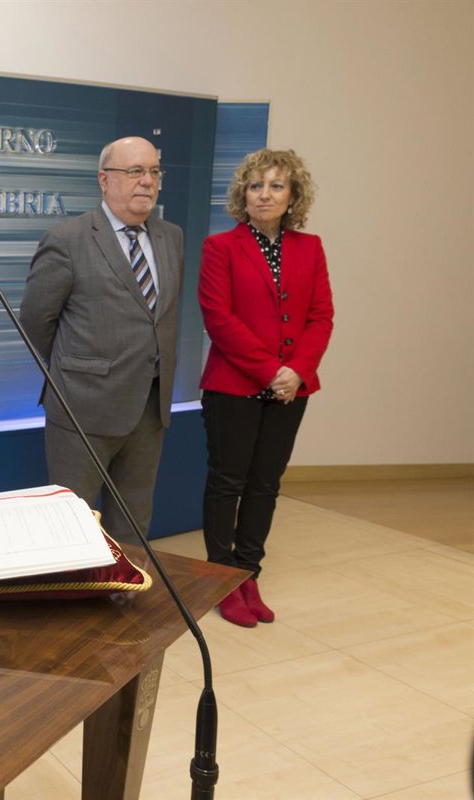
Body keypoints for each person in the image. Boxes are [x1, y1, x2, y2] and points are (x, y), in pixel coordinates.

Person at [20, 136, 184, 540]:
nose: (147, 181)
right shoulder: (67, 239)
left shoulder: (172, 237)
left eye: (154, 172)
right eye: (135, 171)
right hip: (83, 409)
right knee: (69, 528)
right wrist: (80, 369)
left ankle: (126, 582)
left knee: (133, 527)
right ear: (104, 180)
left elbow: (159, 319)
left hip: (148, 409)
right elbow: (36, 321)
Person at [199, 148, 333, 627]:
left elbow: (321, 316)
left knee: (265, 485)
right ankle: (221, 579)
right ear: (243, 194)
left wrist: (297, 371)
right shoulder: (220, 247)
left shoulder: (310, 247)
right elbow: (219, 318)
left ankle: (248, 574)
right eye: (255, 185)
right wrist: (272, 372)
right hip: (233, 386)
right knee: (227, 483)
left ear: (292, 195)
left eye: (276, 185)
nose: (264, 194)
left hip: (292, 389)